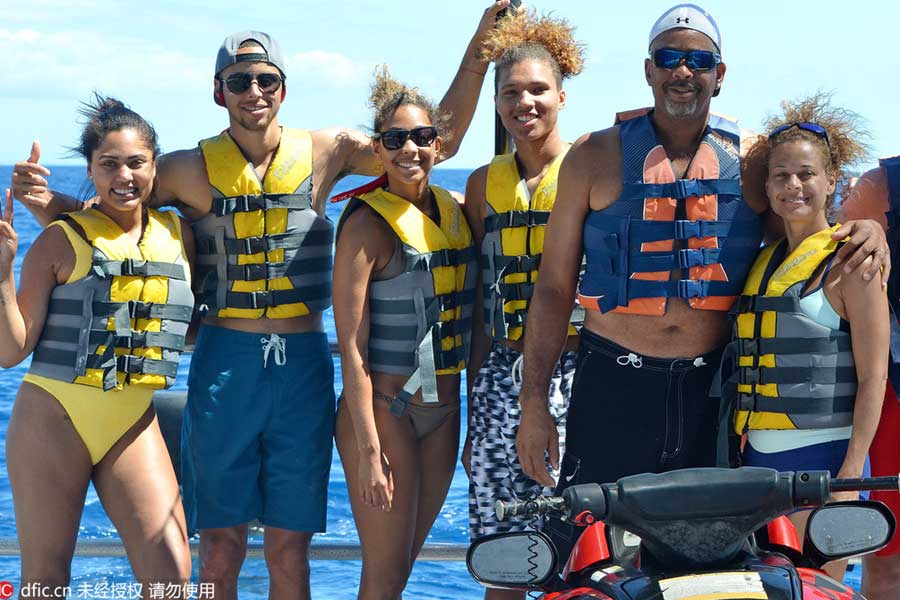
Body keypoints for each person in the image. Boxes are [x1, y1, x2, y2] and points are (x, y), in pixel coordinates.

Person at [10, 6, 509, 596]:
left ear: (283, 89)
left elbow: (432, 144)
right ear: (218, 93)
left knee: (289, 550)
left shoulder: (330, 151)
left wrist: (482, 47)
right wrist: (50, 206)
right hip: (225, 361)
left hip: (302, 365)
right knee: (219, 548)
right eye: (239, 81)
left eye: (265, 79)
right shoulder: (183, 169)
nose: (254, 91)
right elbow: (116, 211)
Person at [514, 3, 888, 499]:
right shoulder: (591, 156)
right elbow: (555, 288)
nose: (683, 71)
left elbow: (804, 240)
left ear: (721, 74)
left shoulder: (754, 161)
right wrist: (534, 403)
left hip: (710, 395)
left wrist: (866, 230)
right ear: (649, 70)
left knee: (706, 560)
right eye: (668, 58)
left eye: (699, 61)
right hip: (611, 385)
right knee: (594, 548)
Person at [0, 96, 193, 596]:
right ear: (90, 169)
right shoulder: (61, 241)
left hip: (132, 419)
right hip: (53, 418)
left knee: (171, 577)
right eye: (108, 164)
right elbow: (10, 350)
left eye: (136, 163)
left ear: (155, 167)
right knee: (46, 580)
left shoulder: (178, 234)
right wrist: (2, 274)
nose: (123, 176)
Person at [724, 95, 885, 580]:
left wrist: (851, 475)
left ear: (832, 181)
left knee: (818, 588)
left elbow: (873, 374)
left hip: (825, 458)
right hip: (754, 463)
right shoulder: (760, 261)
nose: (792, 186)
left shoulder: (852, 263)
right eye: (780, 176)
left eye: (806, 174)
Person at [332, 68, 477, 599]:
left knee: (402, 569)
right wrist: (368, 450)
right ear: (378, 148)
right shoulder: (366, 224)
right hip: (386, 412)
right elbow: (349, 343)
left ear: (438, 143)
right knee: (385, 571)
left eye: (420, 137)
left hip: (444, 410)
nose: (408, 149)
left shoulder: (457, 211)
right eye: (394, 140)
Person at [461, 14, 584, 599]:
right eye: (511, 92)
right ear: (497, 102)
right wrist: (474, 410)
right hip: (497, 378)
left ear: (561, 94)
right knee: (502, 556)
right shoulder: (485, 185)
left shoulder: (591, 166)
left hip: (577, 371)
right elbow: (485, 294)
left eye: (538, 89)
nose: (525, 102)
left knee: (575, 546)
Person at [840, 157, 900, 600]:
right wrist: (873, 229)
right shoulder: (881, 185)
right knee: (888, 561)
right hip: (893, 400)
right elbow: (826, 241)